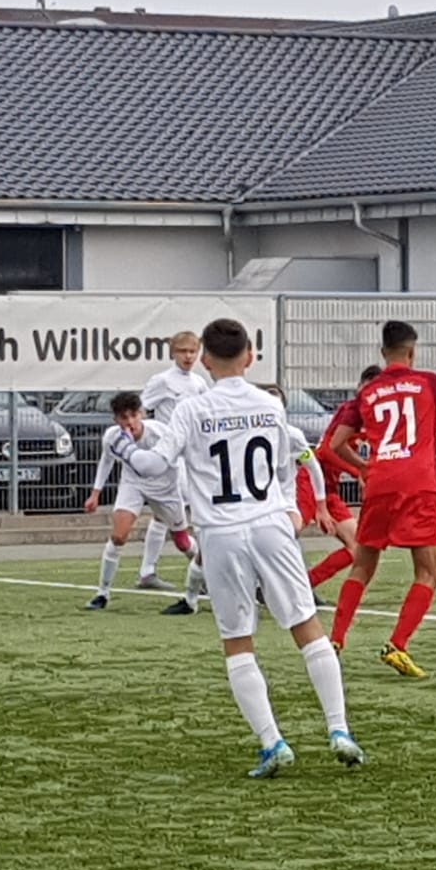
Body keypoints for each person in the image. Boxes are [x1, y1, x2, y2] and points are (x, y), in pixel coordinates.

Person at [108, 317, 364, 776]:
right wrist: (290, 509)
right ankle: (339, 729)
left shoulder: (192, 409)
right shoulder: (270, 404)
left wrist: (121, 447)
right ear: (250, 356)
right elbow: (287, 466)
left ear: (205, 361)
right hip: (270, 527)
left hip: (221, 534)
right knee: (307, 627)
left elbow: (153, 465)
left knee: (238, 641)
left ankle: (272, 742)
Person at [326, 321, 436, 678]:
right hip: (417, 484)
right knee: (428, 572)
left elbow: (336, 443)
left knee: (362, 566)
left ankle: (334, 641)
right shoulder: (428, 382)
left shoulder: (368, 392)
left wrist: (364, 468)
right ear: (412, 351)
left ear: (383, 353)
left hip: (380, 482)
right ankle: (397, 645)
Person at [159, 388, 330, 617]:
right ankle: (190, 601)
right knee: (207, 554)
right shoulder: (238, 433)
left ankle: (300, 593)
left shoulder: (292, 436)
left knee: (287, 535)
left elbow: (313, 466)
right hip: (247, 503)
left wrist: (321, 505)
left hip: (282, 502)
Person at [82, 391, 198, 611]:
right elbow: (106, 460)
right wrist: (95, 493)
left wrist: (189, 488)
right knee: (119, 536)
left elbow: (185, 456)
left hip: (166, 488)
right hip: (133, 485)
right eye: (124, 417)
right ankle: (102, 593)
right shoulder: (112, 437)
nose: (130, 422)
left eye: (134, 415)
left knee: (182, 542)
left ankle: (205, 575)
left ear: (141, 414)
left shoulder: (159, 432)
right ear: (116, 419)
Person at [132, 331, 209, 592]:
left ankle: (148, 571)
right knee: (174, 512)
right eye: (183, 351)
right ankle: (203, 569)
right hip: (170, 456)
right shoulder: (162, 381)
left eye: (192, 351)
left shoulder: (199, 383)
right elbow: (140, 410)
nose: (188, 356)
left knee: (168, 514)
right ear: (173, 353)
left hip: (192, 455)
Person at [302, 365, 381, 590]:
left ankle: (305, 585)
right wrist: (358, 471)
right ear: (359, 387)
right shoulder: (350, 411)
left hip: (328, 489)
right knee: (288, 533)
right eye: (367, 388)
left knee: (357, 547)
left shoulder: (374, 417)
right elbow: (326, 451)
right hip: (308, 480)